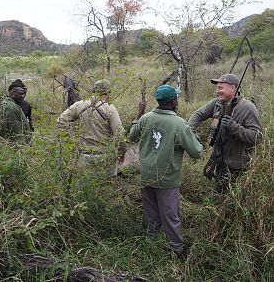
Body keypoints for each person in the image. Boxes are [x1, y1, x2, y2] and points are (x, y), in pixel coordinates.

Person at [129, 84, 203, 259]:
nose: (177, 100)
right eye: (176, 98)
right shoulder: (179, 123)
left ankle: (151, 244)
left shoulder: (146, 118)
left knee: (151, 214)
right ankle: (177, 250)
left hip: (146, 175)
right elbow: (197, 152)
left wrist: (138, 114)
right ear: (172, 101)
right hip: (167, 179)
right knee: (170, 215)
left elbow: (132, 135)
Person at [188, 73, 262, 194]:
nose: (217, 91)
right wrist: (190, 132)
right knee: (217, 197)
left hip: (237, 168)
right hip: (219, 162)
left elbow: (257, 137)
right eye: (217, 88)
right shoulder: (218, 103)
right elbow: (198, 114)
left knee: (230, 202)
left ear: (233, 88)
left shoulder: (248, 108)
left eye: (220, 87)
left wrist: (234, 127)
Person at [57, 79, 126, 177]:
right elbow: (120, 134)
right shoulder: (110, 108)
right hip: (106, 157)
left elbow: (61, 121)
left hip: (84, 157)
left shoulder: (79, 105)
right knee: (107, 188)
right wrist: (121, 153)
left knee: (85, 190)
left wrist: (69, 142)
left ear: (94, 91)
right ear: (107, 93)